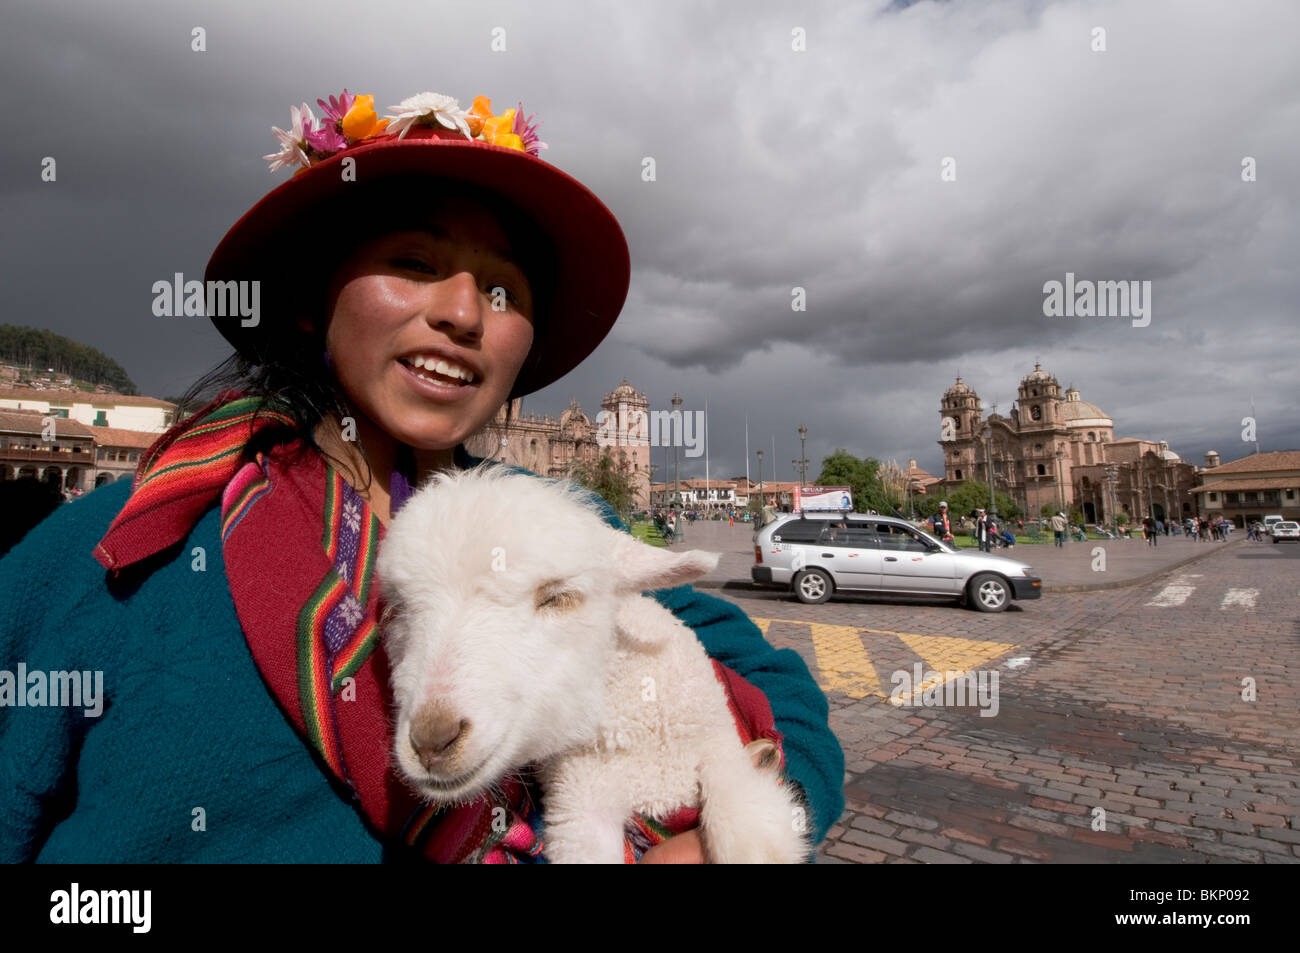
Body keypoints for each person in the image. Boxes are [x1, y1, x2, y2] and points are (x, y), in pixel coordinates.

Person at [0, 86, 843, 863]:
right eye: (412, 262)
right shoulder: (125, 554)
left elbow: (774, 683)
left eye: (504, 291)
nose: (465, 312)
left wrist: (733, 834)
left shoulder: (563, 530)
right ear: (309, 296)